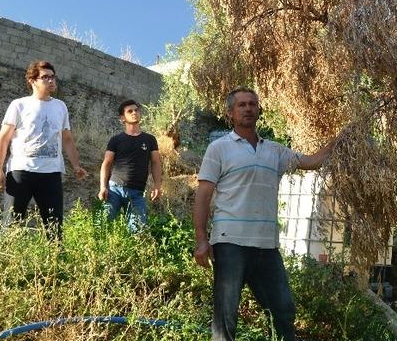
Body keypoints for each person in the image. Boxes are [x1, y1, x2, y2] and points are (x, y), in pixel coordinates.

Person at [193, 88, 337, 341]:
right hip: (230, 242)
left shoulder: (275, 151)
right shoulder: (219, 148)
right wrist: (202, 240)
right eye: (242, 105)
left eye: (252, 104)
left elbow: (312, 162)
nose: (248, 108)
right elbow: (203, 194)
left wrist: (339, 140)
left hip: (266, 245)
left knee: (283, 309)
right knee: (226, 317)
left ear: (259, 110)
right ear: (230, 113)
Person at [0, 60, 88, 237]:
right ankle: (8, 262)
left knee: (55, 227)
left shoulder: (60, 106)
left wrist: (76, 166)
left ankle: (55, 262)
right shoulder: (19, 105)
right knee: (12, 225)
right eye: (45, 77)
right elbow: (3, 139)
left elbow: (67, 139)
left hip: (51, 174)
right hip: (21, 172)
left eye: (52, 77)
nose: (51, 80)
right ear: (32, 81)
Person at [98, 99, 163, 232]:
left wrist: (157, 186)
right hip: (114, 190)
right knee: (102, 227)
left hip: (137, 194)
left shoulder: (149, 139)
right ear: (122, 118)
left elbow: (156, 163)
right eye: (130, 111)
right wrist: (103, 187)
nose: (134, 113)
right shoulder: (116, 140)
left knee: (138, 231)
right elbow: (107, 163)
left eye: (136, 110)